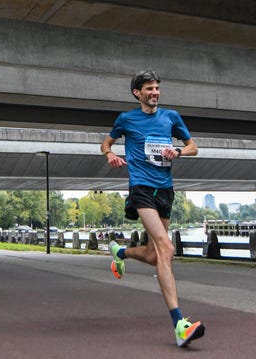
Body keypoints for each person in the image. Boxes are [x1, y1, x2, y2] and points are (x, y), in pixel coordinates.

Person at [100, 69, 205, 348]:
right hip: (141, 189)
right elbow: (105, 144)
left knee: (153, 254)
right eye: (149, 89)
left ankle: (120, 252)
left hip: (165, 191)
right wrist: (110, 154)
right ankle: (179, 325)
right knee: (166, 249)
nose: (154, 93)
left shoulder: (171, 117)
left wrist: (179, 151)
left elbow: (194, 146)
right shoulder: (126, 119)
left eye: (156, 88)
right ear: (137, 93)